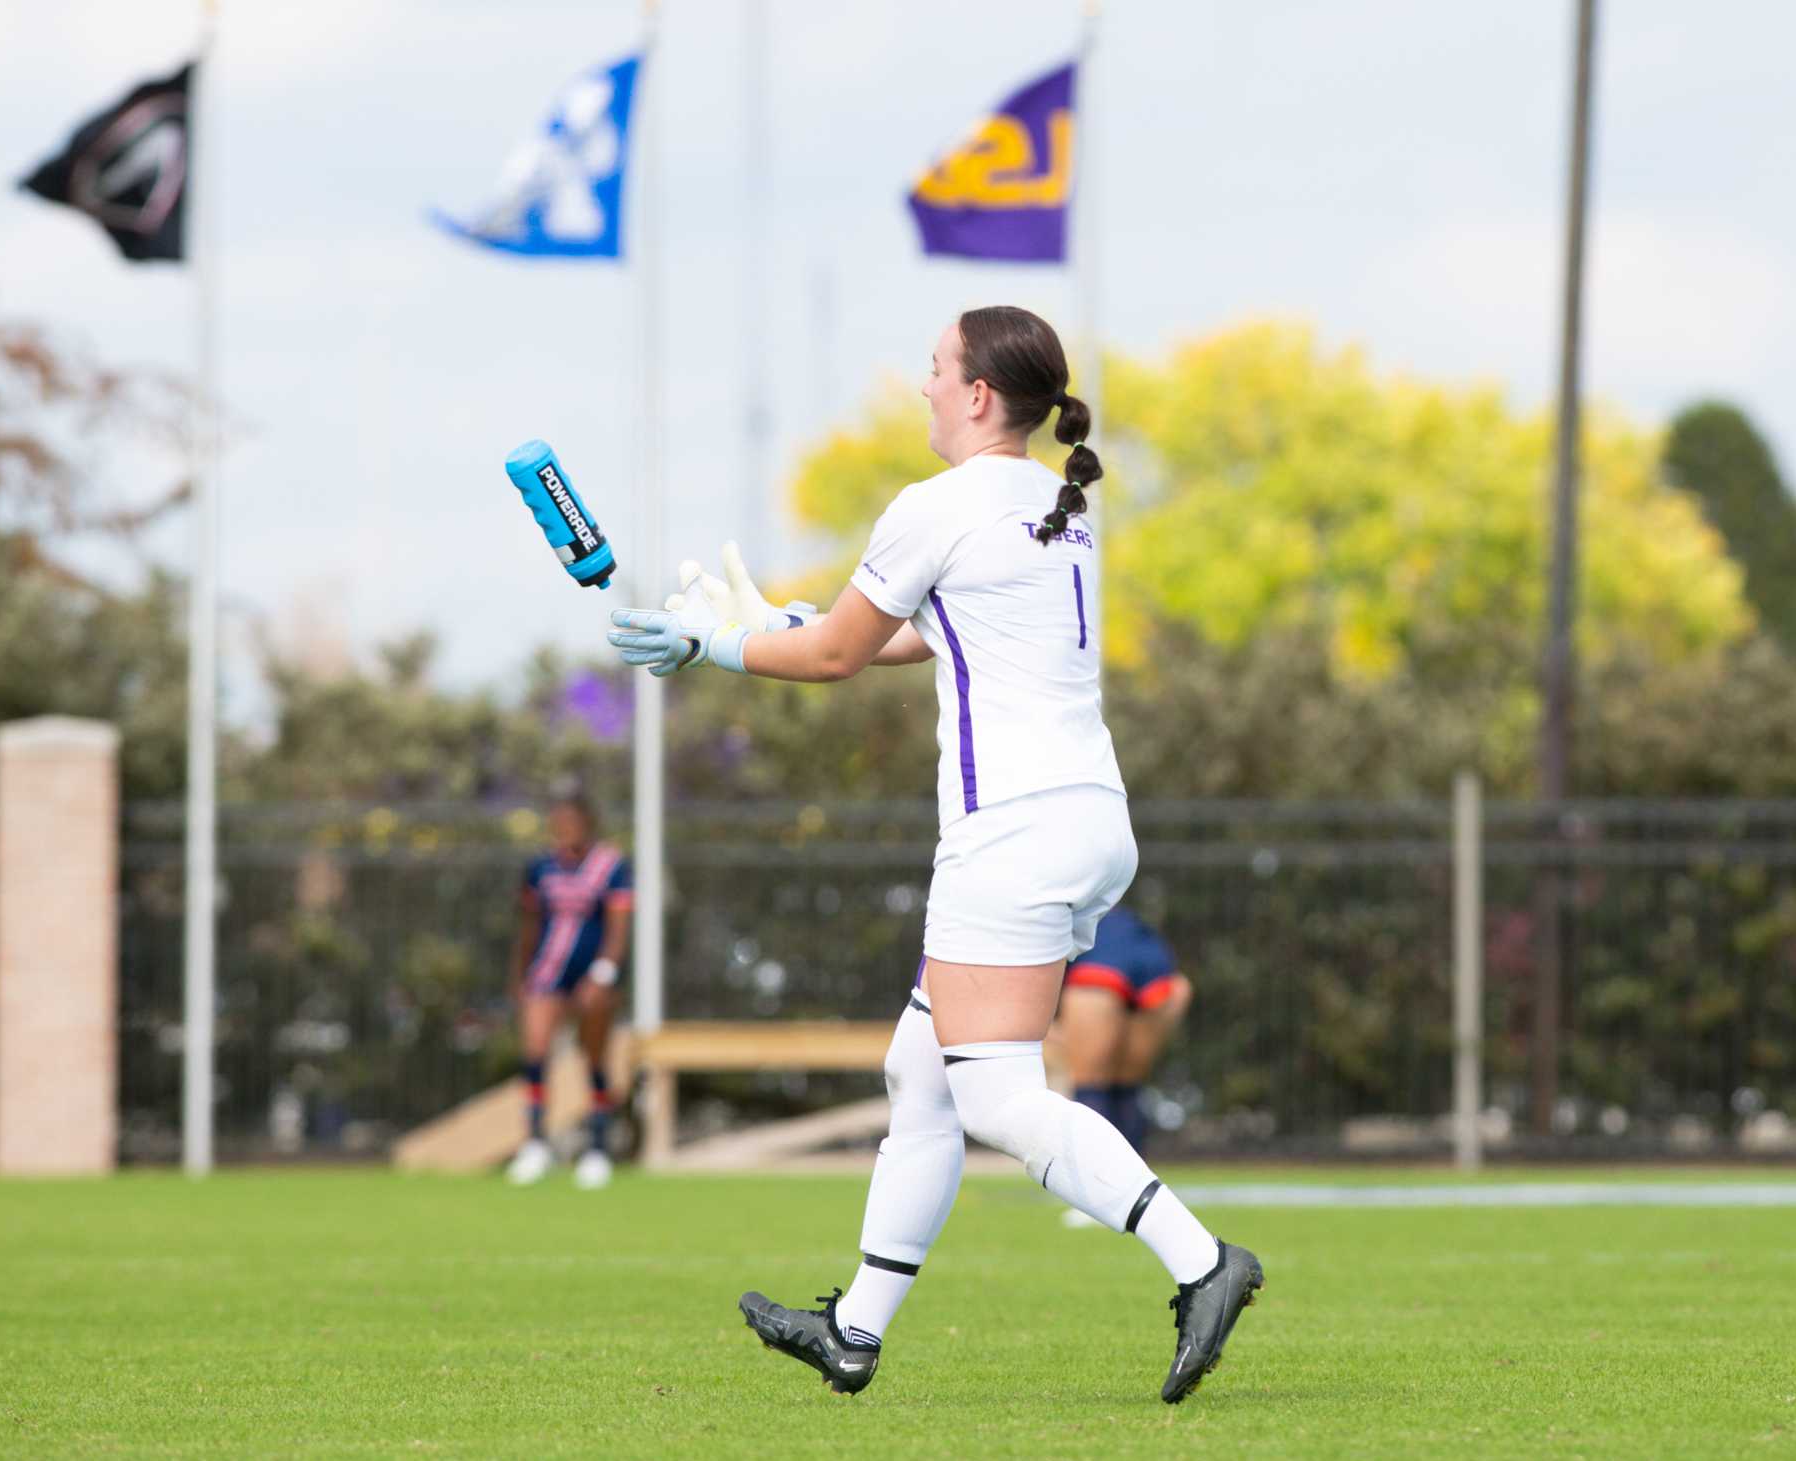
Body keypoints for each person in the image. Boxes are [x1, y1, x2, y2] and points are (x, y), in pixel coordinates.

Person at [608, 306, 1262, 1403]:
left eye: (931, 369)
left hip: (1008, 832)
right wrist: (785, 619)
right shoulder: (1059, 504)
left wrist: (711, 642)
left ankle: (1202, 1262)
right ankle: (853, 1332)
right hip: (1085, 820)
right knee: (921, 1077)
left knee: (997, 1097)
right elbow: (915, 634)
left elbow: (832, 658)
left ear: (973, 396)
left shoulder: (937, 504)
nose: (920, 387)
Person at [504, 792, 632, 1189]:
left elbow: (618, 925)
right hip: (547, 972)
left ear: (586, 822)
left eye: (570, 822)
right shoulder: (540, 867)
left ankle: (597, 1147)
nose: (563, 830)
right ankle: (536, 1144)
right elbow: (529, 925)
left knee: (593, 1057)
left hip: (593, 973)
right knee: (535, 1051)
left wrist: (605, 972)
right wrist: (519, 976)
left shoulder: (611, 865)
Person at [1056, 907, 1194, 1227]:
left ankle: (1097, 1197)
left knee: (1090, 1082)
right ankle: (1139, 1197)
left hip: (1098, 956)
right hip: (1154, 960)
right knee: (1126, 1082)